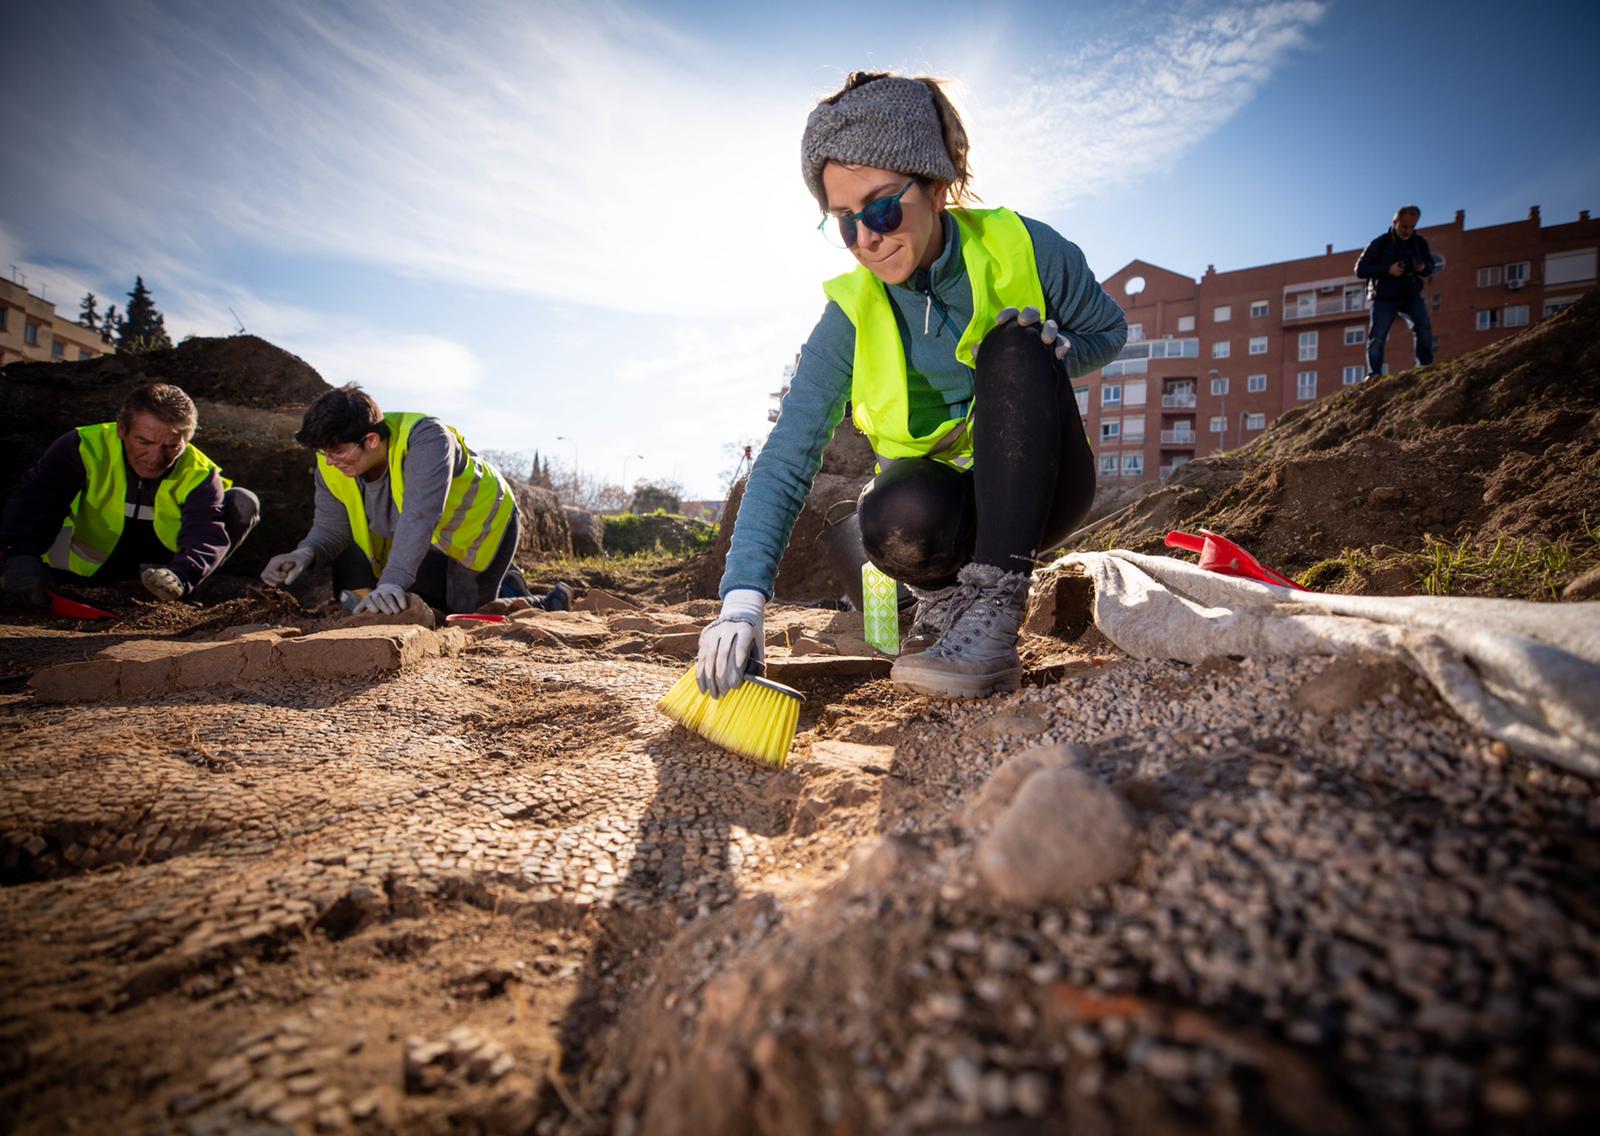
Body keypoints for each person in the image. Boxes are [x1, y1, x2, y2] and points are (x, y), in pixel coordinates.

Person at [696, 72, 1127, 701]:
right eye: (844, 221)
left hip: (1040, 490)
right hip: (935, 513)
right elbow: (786, 458)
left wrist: (1057, 353)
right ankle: (939, 600)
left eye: (880, 207)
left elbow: (1108, 331)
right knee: (894, 513)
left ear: (935, 183)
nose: (867, 238)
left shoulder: (1026, 249)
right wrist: (741, 603)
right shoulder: (850, 315)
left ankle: (993, 614)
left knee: (1013, 342)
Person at [262, 384, 523, 615]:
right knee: (427, 609)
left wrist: (392, 581)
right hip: (431, 541)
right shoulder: (331, 462)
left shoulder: (428, 440)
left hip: (482, 528)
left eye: (338, 451)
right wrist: (304, 552)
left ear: (371, 440)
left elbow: (420, 515)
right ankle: (502, 586)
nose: (329, 460)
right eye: (324, 451)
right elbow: (331, 527)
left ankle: (536, 599)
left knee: (467, 618)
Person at [1, 383, 260, 605]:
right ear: (122, 429)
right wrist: (20, 555)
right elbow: (34, 502)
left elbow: (206, 534)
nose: (156, 458)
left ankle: (175, 593)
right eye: (144, 442)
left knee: (243, 501)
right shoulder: (82, 446)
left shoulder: (200, 472)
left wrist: (181, 575)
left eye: (171, 446)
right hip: (80, 569)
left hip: (157, 577)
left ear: (187, 440)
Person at [1356, 204, 1436, 379]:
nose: (1408, 231)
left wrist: (1423, 267)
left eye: (1412, 227)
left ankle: (1424, 366)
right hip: (1384, 296)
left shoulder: (1419, 243)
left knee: (1423, 326)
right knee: (1377, 336)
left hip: (1410, 294)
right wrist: (1388, 270)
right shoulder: (1380, 243)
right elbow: (1360, 269)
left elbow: (1430, 267)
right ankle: (1374, 374)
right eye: (1404, 226)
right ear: (1395, 222)